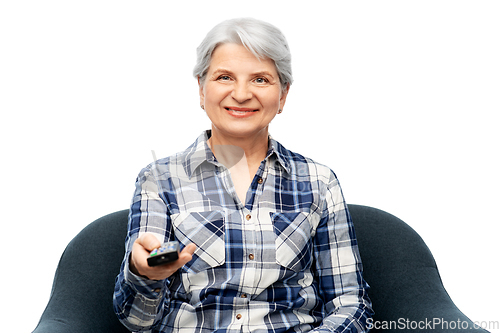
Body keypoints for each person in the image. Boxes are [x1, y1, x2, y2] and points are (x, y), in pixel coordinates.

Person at [113, 17, 373, 332]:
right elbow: (137, 321)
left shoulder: (318, 182)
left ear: (283, 94)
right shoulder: (159, 180)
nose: (241, 94)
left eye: (260, 80)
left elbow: (351, 306)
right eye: (224, 77)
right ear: (201, 88)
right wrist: (146, 274)